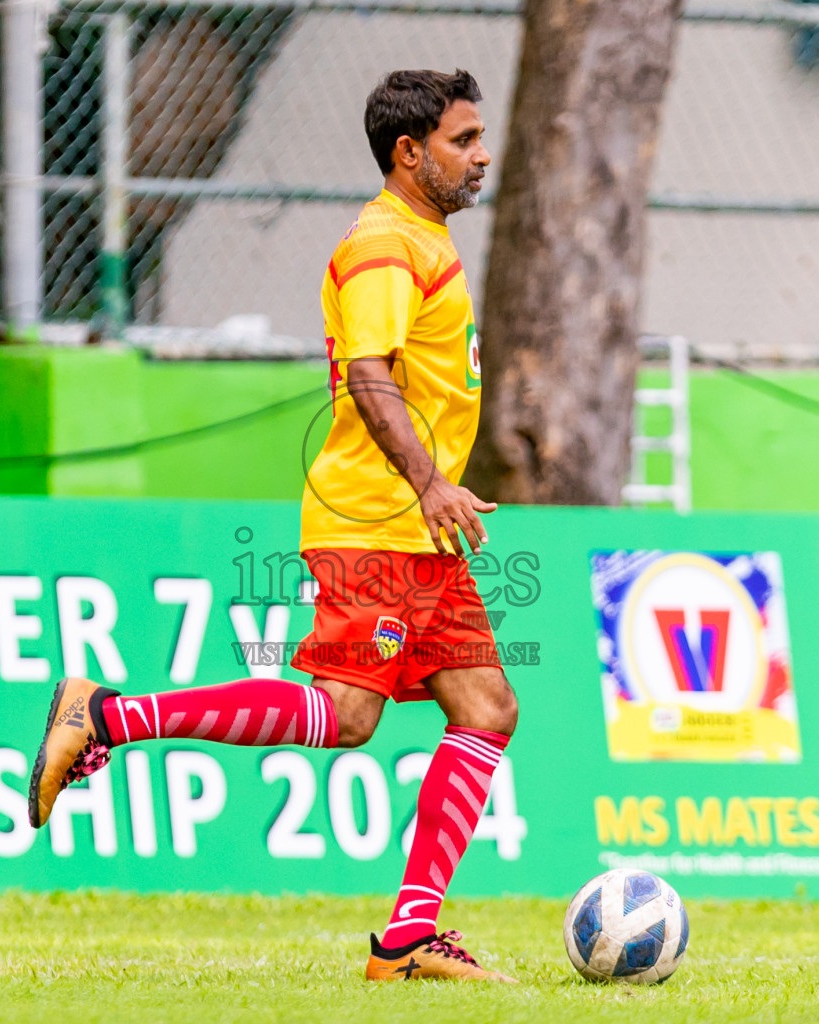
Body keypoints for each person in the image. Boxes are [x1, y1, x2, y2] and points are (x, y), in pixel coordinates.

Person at [27, 68, 517, 984]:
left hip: (416, 531)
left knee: (487, 707)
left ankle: (411, 938)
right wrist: (429, 484)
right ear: (409, 154)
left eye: (479, 137)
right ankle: (107, 718)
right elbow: (368, 376)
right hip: (377, 521)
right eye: (463, 140)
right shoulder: (383, 248)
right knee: (344, 715)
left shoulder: (421, 240)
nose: (481, 154)